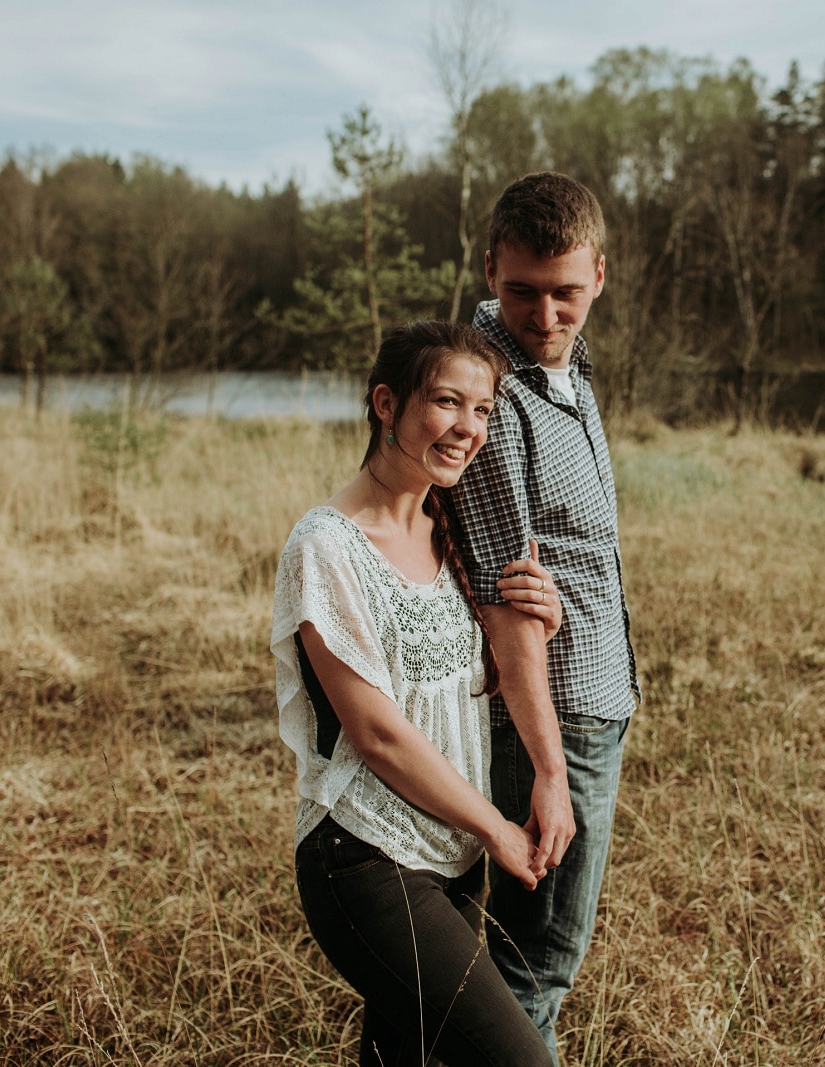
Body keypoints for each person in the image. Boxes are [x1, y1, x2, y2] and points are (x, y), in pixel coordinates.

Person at [271, 320, 571, 1067]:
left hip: (452, 854)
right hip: (365, 858)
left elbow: (473, 678)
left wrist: (544, 620)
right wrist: (499, 829)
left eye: (483, 410)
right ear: (386, 403)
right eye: (446, 402)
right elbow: (376, 733)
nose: (468, 428)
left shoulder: (451, 528)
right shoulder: (326, 546)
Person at [450, 172, 640, 1061]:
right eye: (522, 290)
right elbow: (504, 603)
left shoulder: (570, 370)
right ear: (490, 270)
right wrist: (549, 769)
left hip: (594, 698)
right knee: (535, 966)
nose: (546, 313)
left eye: (566, 292)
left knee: (533, 961)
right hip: (545, 716)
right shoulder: (492, 391)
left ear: (599, 275)